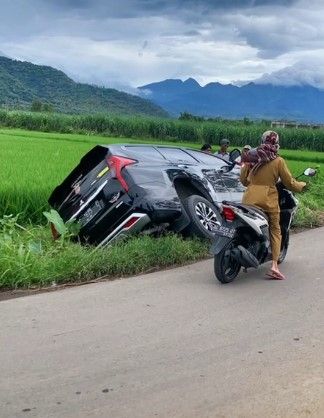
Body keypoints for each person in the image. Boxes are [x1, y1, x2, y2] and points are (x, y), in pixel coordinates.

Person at [240, 130, 306, 280]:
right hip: (268, 201)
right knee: (275, 230)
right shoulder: (278, 161)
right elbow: (289, 183)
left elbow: (243, 180)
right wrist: (302, 186)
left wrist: (253, 183)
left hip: (248, 199)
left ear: (262, 140)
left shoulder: (252, 157)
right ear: (276, 143)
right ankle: (274, 266)